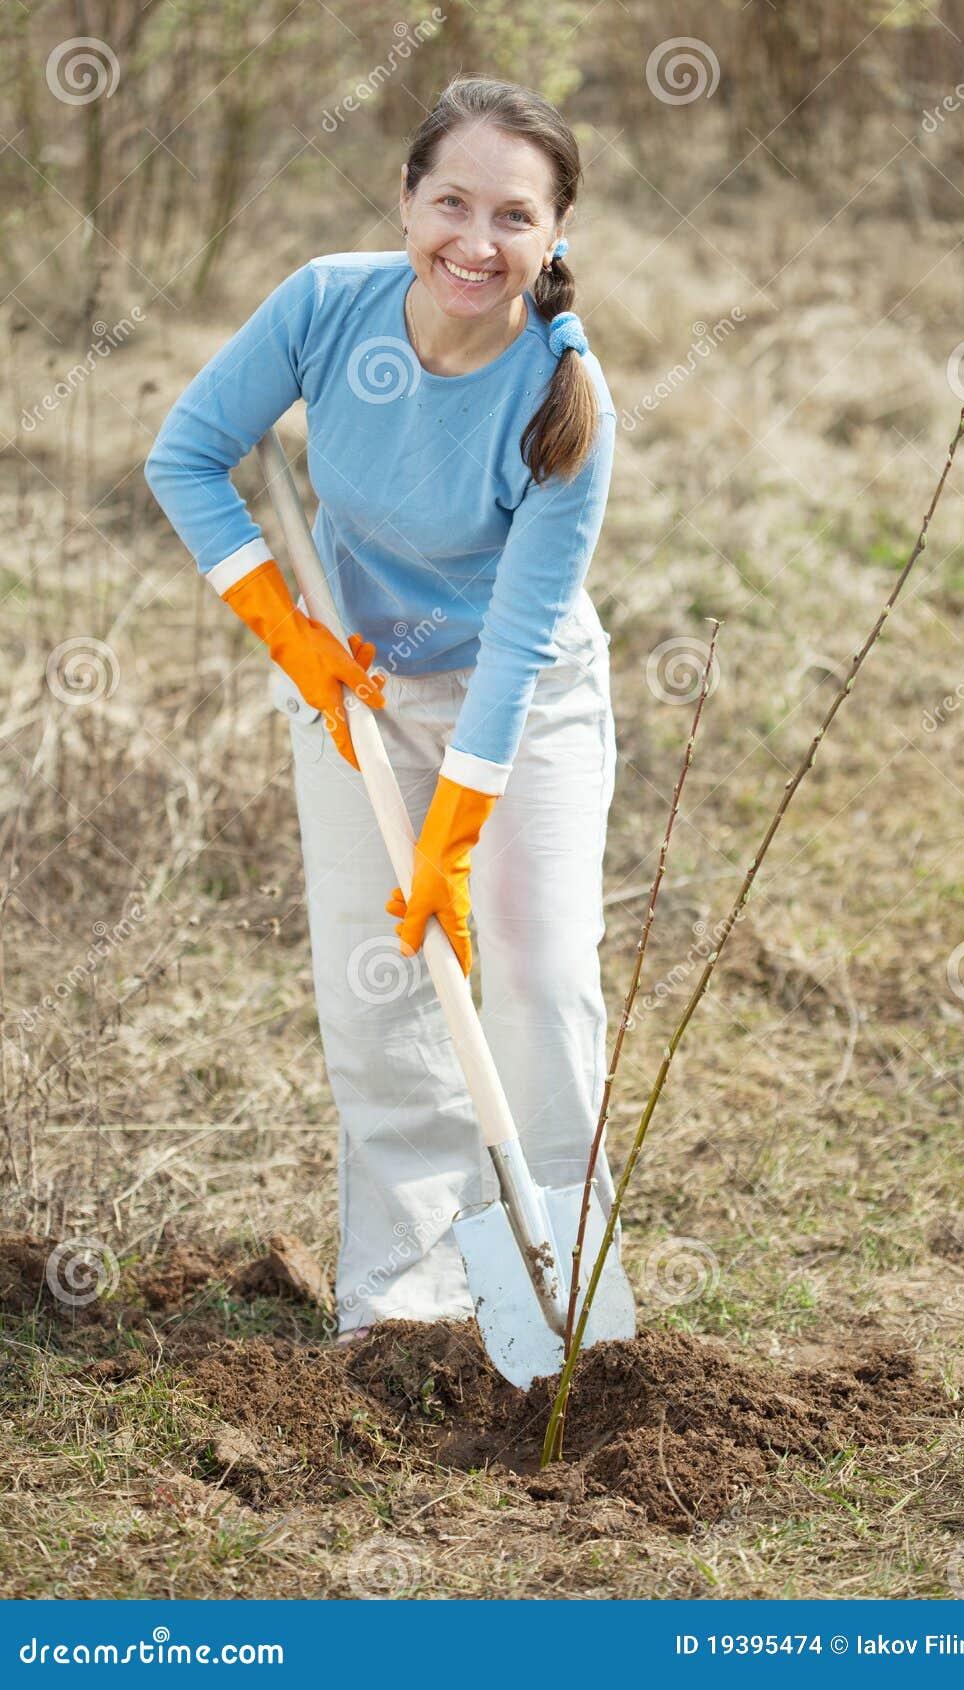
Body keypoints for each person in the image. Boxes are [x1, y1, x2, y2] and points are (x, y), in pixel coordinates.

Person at [144, 75, 620, 1346]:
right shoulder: (323, 305)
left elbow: (520, 634)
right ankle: (401, 1310)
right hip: (354, 687)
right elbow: (185, 454)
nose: (475, 240)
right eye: (448, 200)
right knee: (381, 997)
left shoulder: (563, 401)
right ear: (404, 199)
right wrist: (288, 634)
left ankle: (556, 1305)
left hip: (522, 705)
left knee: (537, 974)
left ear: (555, 232)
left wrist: (458, 820)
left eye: (512, 216)